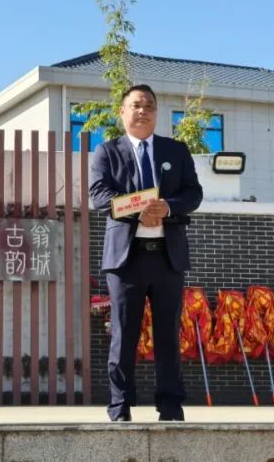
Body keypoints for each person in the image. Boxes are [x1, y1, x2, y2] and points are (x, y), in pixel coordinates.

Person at [88, 84, 203, 421]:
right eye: (136, 105)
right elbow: (99, 195)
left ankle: (170, 406)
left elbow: (194, 193)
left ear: (156, 113)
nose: (143, 111)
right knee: (124, 334)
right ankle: (120, 406)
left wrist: (167, 207)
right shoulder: (107, 151)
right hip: (127, 259)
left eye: (149, 106)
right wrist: (139, 209)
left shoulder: (176, 150)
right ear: (122, 112)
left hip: (168, 257)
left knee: (168, 335)